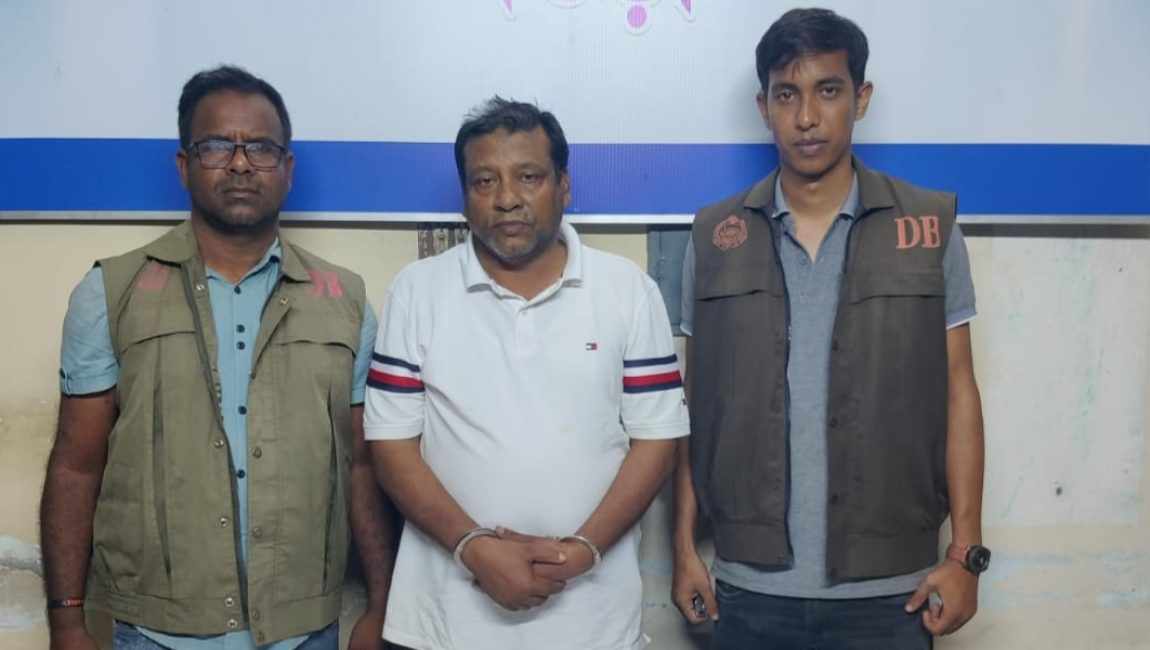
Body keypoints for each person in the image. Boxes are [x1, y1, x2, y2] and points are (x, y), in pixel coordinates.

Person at [41, 65, 395, 650]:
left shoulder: (345, 300)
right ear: (184, 165)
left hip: (303, 632)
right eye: (216, 146)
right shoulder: (111, 292)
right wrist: (66, 621)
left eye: (260, 148)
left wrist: (382, 606)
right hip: (154, 633)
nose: (239, 164)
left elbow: (362, 464)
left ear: (288, 169)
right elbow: (76, 467)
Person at [671, 8, 988, 648]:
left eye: (828, 90)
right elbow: (692, 407)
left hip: (893, 594)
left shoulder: (927, 228)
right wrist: (681, 549)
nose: (807, 117)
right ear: (764, 107)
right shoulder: (714, 238)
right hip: (749, 589)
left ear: (861, 99)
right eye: (787, 94)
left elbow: (960, 393)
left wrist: (965, 555)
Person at [365, 97, 690, 649]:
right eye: (484, 181)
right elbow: (390, 447)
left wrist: (582, 551)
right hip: (444, 624)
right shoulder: (416, 291)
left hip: (593, 623)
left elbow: (657, 439)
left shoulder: (627, 290)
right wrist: (472, 548)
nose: (507, 198)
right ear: (465, 194)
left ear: (563, 186)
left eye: (529, 177)